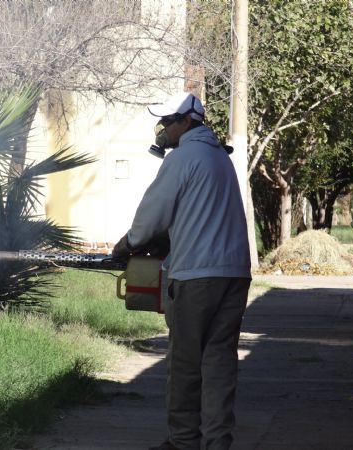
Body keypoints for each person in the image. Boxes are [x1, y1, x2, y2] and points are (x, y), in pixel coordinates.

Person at [112, 92, 251, 450]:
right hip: (234, 274)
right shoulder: (220, 157)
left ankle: (183, 442)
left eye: (168, 122)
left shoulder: (182, 158)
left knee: (185, 366)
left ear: (187, 122)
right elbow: (198, 216)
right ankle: (218, 443)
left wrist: (129, 244)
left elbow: (151, 215)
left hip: (196, 278)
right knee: (220, 363)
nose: (163, 129)